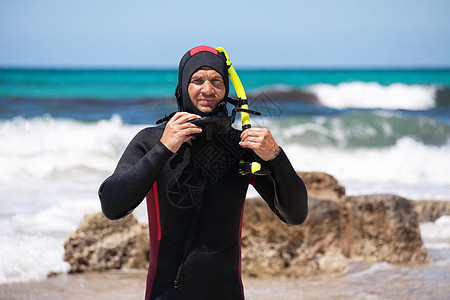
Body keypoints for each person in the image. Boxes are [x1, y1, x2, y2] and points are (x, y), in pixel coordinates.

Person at [99, 45, 308, 299]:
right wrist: (164, 148)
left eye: (216, 81)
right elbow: (112, 206)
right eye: (197, 80)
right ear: (183, 85)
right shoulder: (151, 141)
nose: (207, 90)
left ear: (226, 88)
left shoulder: (241, 146)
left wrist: (277, 157)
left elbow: (295, 214)